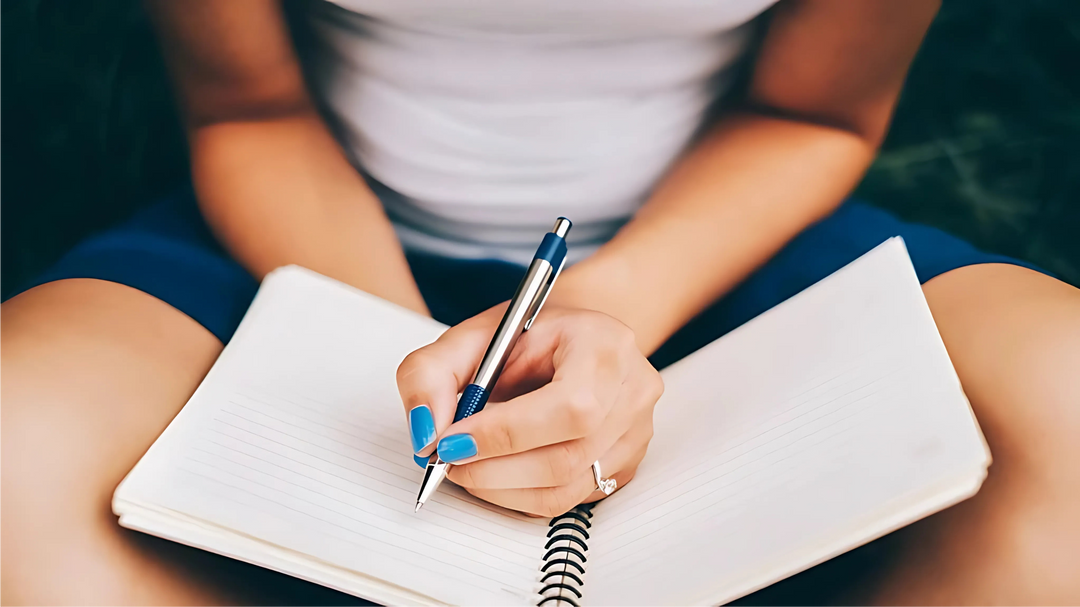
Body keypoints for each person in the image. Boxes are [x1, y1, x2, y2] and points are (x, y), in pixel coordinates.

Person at [1, 0, 1078, 604]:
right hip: (299, 231)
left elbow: (814, 114)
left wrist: (611, 309)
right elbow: (249, 112)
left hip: (729, 236)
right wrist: (408, 352)